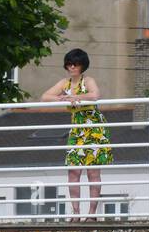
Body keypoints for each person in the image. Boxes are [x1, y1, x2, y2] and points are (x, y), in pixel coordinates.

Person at [40, 49, 112, 219]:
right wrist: (63, 98)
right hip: (77, 128)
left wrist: (76, 96)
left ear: (82, 66)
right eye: (69, 64)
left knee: (93, 172)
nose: (71, 67)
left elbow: (95, 95)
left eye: (75, 64)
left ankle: (92, 213)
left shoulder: (88, 80)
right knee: (73, 171)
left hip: (93, 128)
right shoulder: (65, 83)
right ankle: (76, 213)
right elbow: (45, 97)